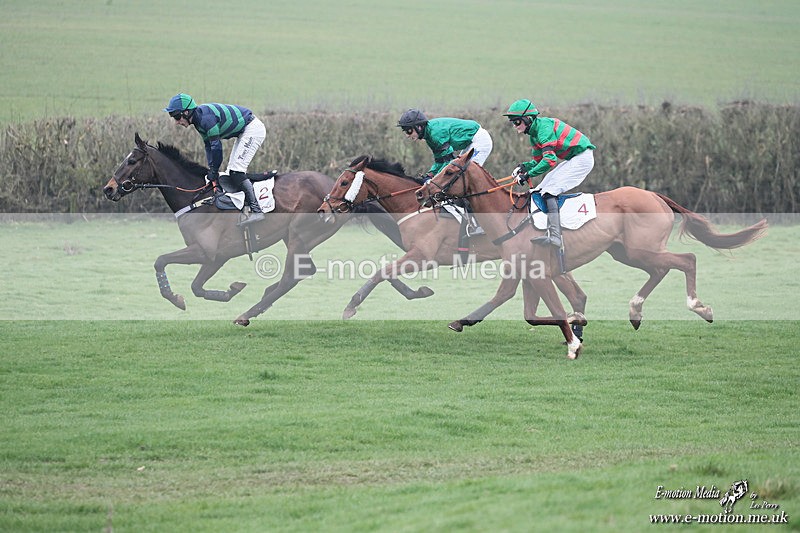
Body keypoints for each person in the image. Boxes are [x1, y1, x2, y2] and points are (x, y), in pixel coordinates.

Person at [504, 99, 596, 247]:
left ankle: (556, 236)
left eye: (516, 122)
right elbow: (538, 160)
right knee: (539, 189)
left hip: (582, 158)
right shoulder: (534, 134)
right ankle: (545, 228)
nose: (515, 126)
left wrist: (527, 175)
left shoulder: (544, 129)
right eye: (513, 123)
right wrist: (523, 168)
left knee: (549, 191)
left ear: (528, 119)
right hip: (573, 158)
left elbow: (549, 161)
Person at [164, 93, 266, 224]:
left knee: (237, 171)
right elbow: (209, 147)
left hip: (252, 129)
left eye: (177, 117)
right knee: (232, 173)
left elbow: (217, 147)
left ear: (187, 112)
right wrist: (211, 169)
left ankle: (257, 211)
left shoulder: (205, 120)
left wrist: (214, 170)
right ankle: (244, 208)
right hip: (244, 131)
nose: (177, 122)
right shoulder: (198, 121)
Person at [397, 109, 493, 182]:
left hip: (480, 141)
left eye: (408, 131)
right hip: (470, 143)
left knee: (466, 173)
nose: (407, 135)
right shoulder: (429, 137)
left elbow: (449, 161)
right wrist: (430, 175)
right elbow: (440, 161)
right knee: (459, 171)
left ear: (419, 127)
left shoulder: (435, 134)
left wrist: (434, 181)